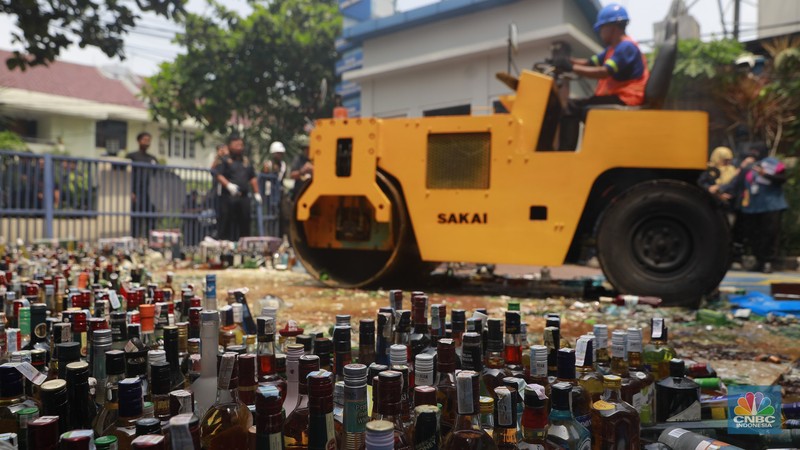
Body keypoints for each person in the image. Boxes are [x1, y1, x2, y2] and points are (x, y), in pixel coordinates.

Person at [550, 3, 650, 150]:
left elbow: (604, 72)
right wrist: (565, 60)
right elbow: (590, 62)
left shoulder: (626, 47)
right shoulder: (613, 49)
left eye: (602, 28)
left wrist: (570, 67)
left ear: (612, 27)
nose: (600, 32)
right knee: (576, 104)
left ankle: (565, 153)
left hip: (626, 99)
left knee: (571, 106)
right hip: (620, 96)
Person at [727, 143, 788, 273]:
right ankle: (759, 260)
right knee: (754, 234)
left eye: (756, 152)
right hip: (753, 207)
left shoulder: (772, 163)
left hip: (771, 205)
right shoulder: (748, 166)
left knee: (770, 234)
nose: (753, 154)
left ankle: (768, 262)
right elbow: (737, 184)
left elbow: (782, 179)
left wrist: (764, 174)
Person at [214, 135, 262, 242]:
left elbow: (252, 177)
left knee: (245, 223)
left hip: (243, 197)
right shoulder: (224, 160)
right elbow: (218, 174)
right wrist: (228, 185)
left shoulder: (246, 161)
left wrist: (257, 193)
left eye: (241, 145)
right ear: (230, 146)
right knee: (226, 223)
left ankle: (244, 247)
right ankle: (224, 247)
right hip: (228, 196)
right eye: (237, 145)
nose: (240, 147)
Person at [126, 132, 158, 238]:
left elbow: (157, 176)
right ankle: (135, 241)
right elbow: (127, 175)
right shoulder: (132, 156)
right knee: (136, 219)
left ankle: (151, 242)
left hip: (150, 194)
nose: (147, 142)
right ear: (139, 141)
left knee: (151, 219)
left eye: (148, 140)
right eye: (144, 140)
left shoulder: (152, 159)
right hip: (137, 193)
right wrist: (131, 191)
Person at [289, 135, 313, 200]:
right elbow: (292, 175)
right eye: (306, 149)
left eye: (310, 148)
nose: (308, 151)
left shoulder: (317, 159)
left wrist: (314, 170)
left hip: (313, 193)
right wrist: (302, 171)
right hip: (299, 193)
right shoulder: (298, 159)